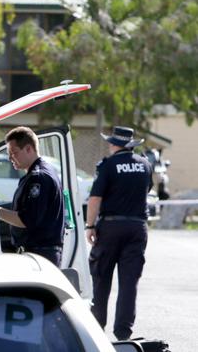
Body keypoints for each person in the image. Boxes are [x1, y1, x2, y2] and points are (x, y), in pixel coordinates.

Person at [85, 126, 153, 341]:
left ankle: (97, 328)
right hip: (137, 228)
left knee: (101, 278)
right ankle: (123, 334)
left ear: (115, 143)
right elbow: (147, 190)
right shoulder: (145, 165)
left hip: (111, 228)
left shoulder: (108, 165)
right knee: (128, 283)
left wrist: (89, 225)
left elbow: (95, 198)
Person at [0, 126, 64, 267]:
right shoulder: (38, 174)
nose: (10, 158)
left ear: (28, 149)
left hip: (40, 255)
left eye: (13, 153)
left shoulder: (38, 177)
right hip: (40, 253)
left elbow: (26, 219)